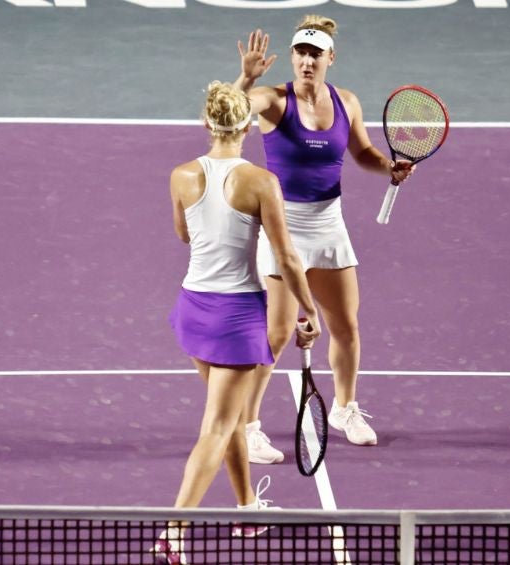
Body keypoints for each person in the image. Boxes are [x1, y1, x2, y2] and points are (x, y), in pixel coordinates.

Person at [232, 17, 416, 463]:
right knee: (276, 334)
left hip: (329, 224)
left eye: (316, 53)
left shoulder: (346, 102)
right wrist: (246, 78)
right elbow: (229, 115)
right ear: (293, 57)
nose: (307, 60)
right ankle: (249, 427)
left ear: (330, 58)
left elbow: (362, 153)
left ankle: (345, 409)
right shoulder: (273, 101)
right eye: (301, 52)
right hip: (282, 225)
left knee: (346, 326)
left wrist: (388, 167)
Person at [154, 80, 321, 565]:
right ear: (249, 126)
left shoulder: (180, 175)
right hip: (236, 317)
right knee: (218, 426)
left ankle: (247, 507)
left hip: (193, 309)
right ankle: (174, 530)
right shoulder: (261, 182)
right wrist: (308, 309)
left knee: (226, 421)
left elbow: (184, 233)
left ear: (206, 123)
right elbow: (287, 258)